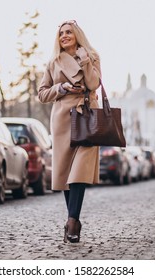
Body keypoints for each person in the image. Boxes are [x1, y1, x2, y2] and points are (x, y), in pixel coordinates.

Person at [38, 20, 101, 243]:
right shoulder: (53, 62)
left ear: (77, 35)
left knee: (79, 172)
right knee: (66, 173)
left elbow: (94, 84)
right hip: (63, 119)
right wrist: (62, 88)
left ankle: (72, 221)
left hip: (87, 117)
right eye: (61, 33)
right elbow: (42, 94)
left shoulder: (91, 56)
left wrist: (85, 62)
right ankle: (72, 220)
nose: (64, 36)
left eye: (68, 32)